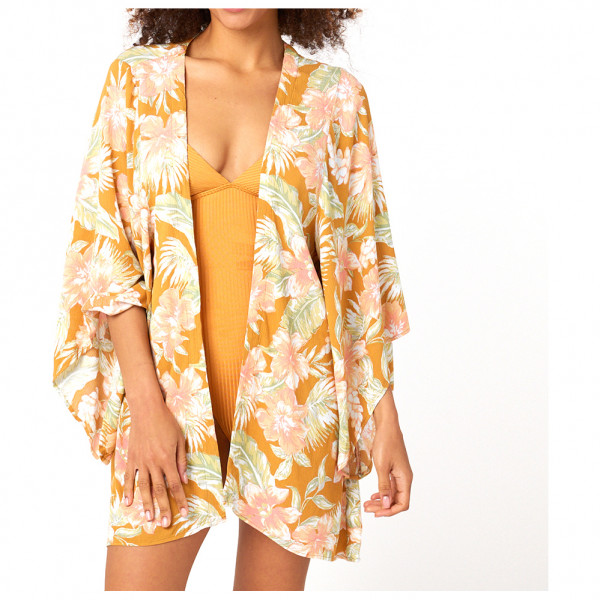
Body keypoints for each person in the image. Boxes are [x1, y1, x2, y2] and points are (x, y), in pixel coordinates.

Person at [52, 7, 413, 591]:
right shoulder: (137, 81)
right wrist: (145, 404)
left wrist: (385, 418)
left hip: (294, 407)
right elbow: (105, 252)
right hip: (169, 400)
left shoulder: (336, 99)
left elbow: (361, 274)